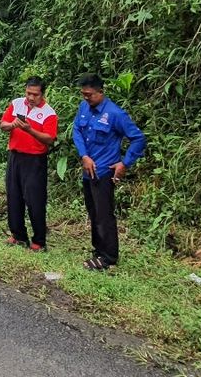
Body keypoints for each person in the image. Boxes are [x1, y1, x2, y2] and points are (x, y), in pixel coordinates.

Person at [72, 74, 146, 270]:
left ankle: (108, 258)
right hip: (88, 171)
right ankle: (98, 250)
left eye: (89, 95)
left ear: (101, 92)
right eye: (83, 94)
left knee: (104, 214)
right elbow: (76, 131)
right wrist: (84, 156)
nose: (86, 98)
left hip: (104, 172)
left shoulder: (115, 114)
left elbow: (138, 139)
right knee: (93, 212)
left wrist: (124, 164)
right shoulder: (84, 108)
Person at [0, 77, 58, 251]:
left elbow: (50, 139)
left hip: (35, 160)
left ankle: (39, 241)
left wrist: (29, 129)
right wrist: (12, 125)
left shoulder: (49, 113)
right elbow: (3, 124)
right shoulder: (16, 104)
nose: (31, 98)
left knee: (35, 200)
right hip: (15, 156)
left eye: (35, 94)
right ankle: (18, 235)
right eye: (28, 93)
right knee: (13, 196)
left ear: (42, 94)